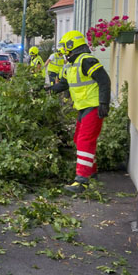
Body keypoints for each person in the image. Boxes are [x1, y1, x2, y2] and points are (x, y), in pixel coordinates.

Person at [47, 30, 111, 194]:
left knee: (84, 140)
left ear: (72, 46)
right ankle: (91, 172)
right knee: (79, 139)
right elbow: (63, 84)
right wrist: (47, 90)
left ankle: (81, 181)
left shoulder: (87, 60)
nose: (62, 50)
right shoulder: (70, 65)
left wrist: (104, 103)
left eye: (64, 47)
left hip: (94, 106)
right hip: (83, 107)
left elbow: (104, 80)